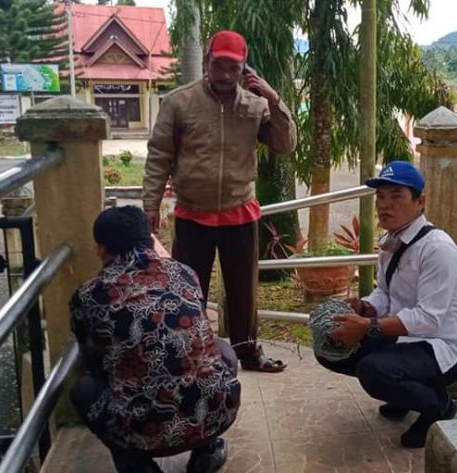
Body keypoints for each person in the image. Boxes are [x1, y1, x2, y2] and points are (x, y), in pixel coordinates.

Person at [143, 29, 297, 373]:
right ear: (207, 63)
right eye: (219, 66)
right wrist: (150, 205)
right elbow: (159, 157)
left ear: (245, 69)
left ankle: (246, 352)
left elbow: (285, 144)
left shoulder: (255, 105)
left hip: (239, 212)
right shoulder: (179, 102)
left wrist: (275, 99)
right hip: (192, 213)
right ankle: (189, 354)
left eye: (234, 68)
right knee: (187, 290)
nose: (226, 75)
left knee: (243, 292)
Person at [70, 206, 240, 473]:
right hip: (215, 414)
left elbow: (93, 361)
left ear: (101, 249)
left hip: (143, 430)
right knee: (222, 350)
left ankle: (137, 466)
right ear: (151, 240)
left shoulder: (90, 295)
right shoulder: (185, 273)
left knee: (84, 390)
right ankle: (207, 451)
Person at [316, 161, 457, 448]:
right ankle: (403, 395)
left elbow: (429, 319)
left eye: (396, 196)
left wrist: (367, 327)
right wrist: (365, 307)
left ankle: (438, 406)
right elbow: (385, 294)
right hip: (403, 337)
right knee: (331, 349)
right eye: (381, 197)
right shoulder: (391, 240)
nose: (385, 206)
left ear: (420, 202)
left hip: (439, 346)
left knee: (374, 371)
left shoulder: (438, 250)